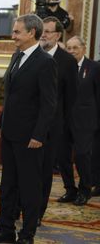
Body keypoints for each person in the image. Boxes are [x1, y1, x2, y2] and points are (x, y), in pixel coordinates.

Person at [0, 14, 57, 244]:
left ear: (31, 33)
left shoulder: (45, 62)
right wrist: (1, 122)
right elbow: (11, 94)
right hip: (10, 133)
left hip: (30, 138)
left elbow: (49, 103)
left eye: (16, 32)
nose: (12, 35)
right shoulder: (16, 56)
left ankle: (27, 235)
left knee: (29, 187)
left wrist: (38, 135)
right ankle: (5, 230)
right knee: (8, 184)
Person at [38, 16, 77, 221]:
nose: (43, 34)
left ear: (58, 35)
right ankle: (16, 208)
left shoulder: (68, 61)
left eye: (48, 31)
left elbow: (71, 98)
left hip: (53, 127)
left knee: (44, 172)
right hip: (29, 123)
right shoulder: (31, 55)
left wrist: (61, 125)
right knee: (24, 171)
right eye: (41, 30)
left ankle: (37, 213)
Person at [56, 36, 100, 206]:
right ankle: (70, 189)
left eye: (75, 48)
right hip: (64, 120)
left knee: (82, 156)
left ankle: (85, 189)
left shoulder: (94, 68)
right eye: (69, 48)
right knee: (62, 156)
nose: (72, 51)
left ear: (83, 48)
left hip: (86, 121)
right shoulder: (63, 66)